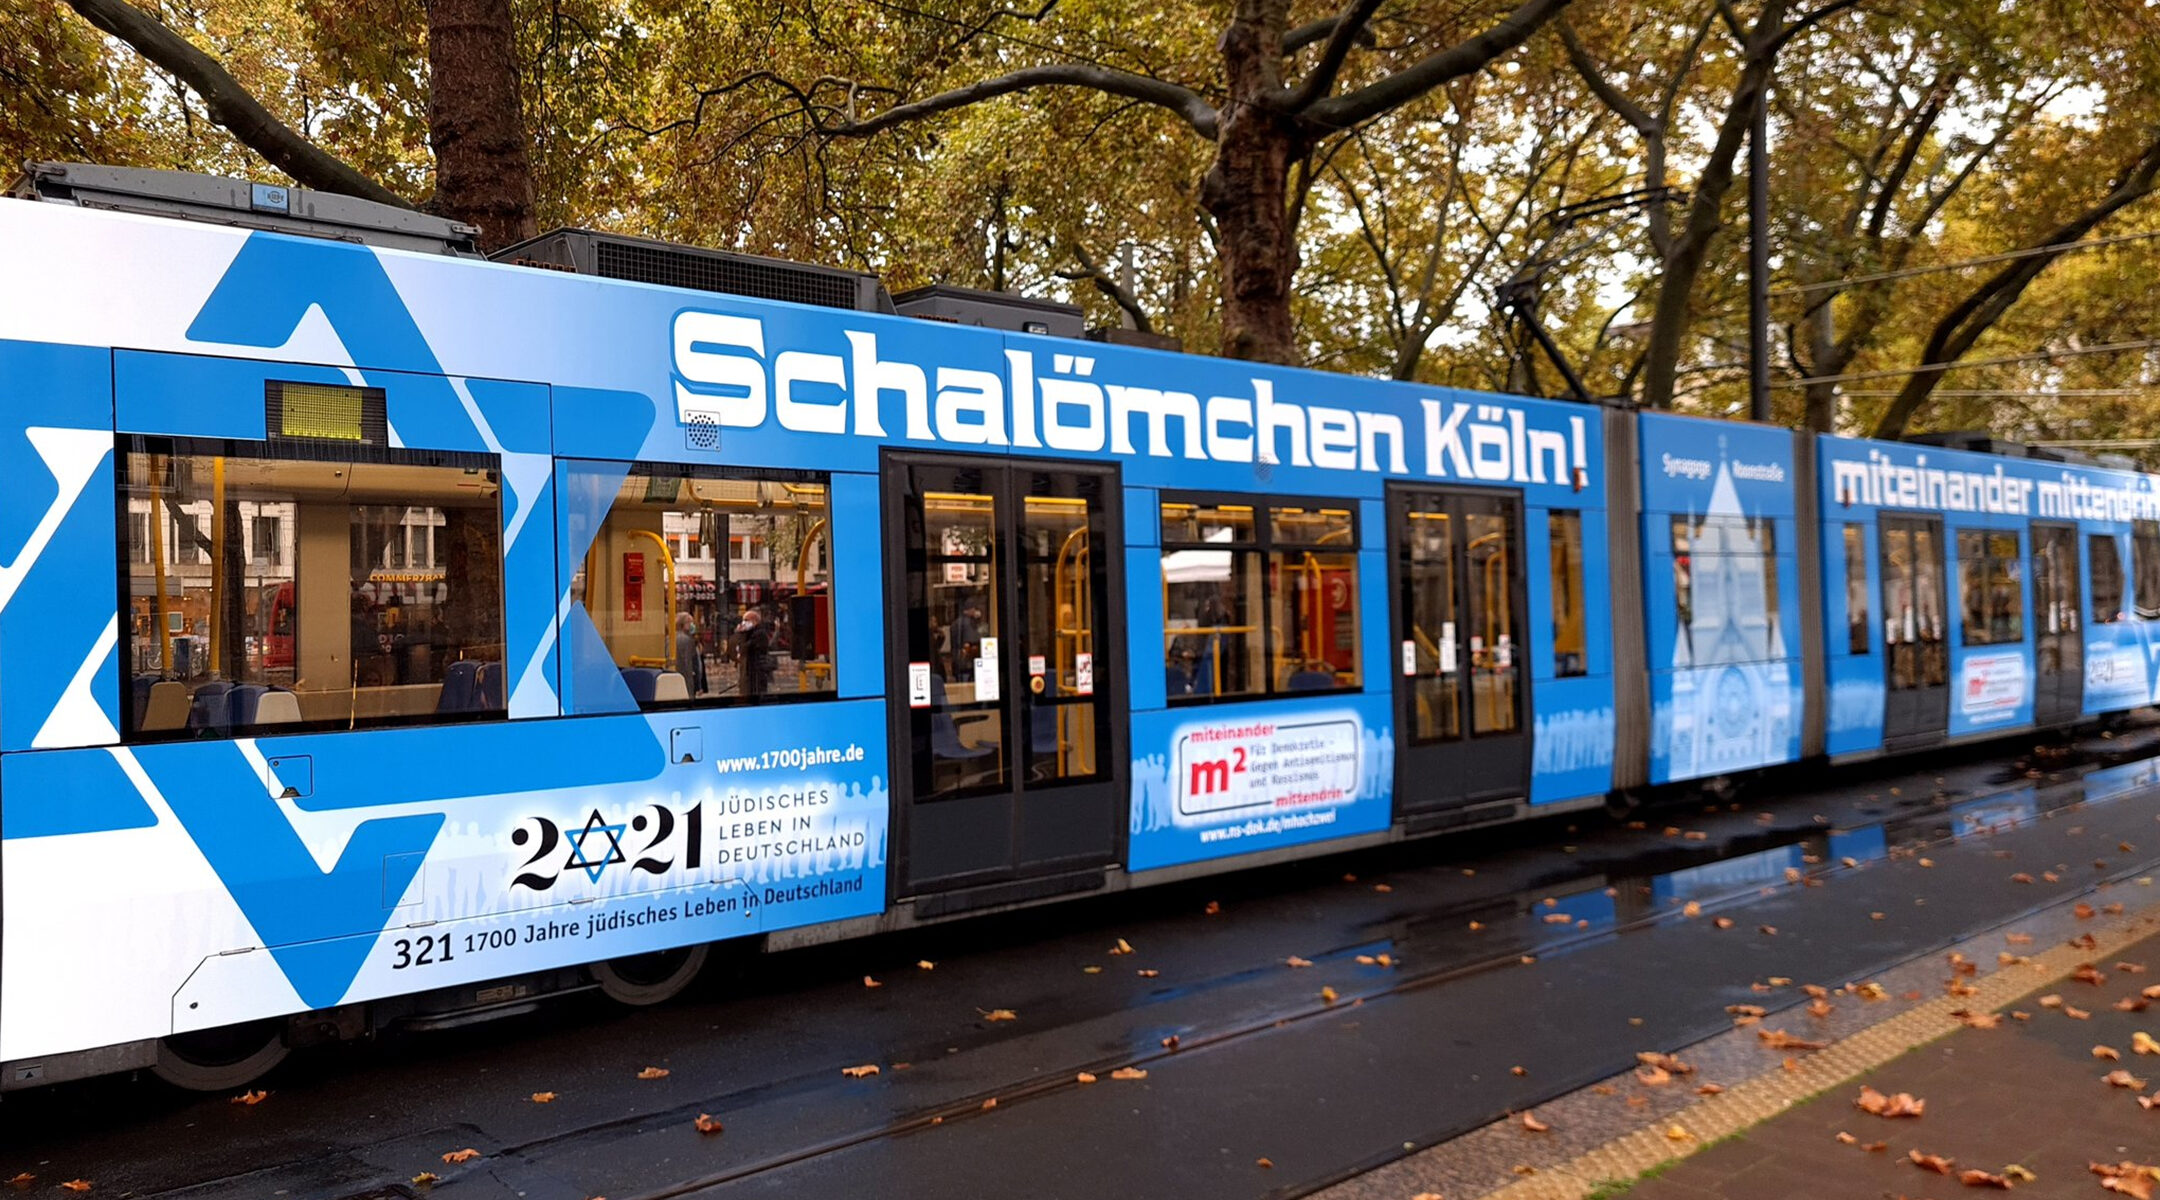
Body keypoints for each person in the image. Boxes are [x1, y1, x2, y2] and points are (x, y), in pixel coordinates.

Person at [736, 607, 775, 698]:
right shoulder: (750, 633)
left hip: (756, 674)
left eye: (746, 620)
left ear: (754, 621)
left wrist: (742, 634)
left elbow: (744, 648)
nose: (743, 623)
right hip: (749, 672)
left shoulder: (759, 634)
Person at [674, 612, 707, 697]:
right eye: (690, 622)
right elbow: (691, 663)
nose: (692, 625)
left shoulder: (671, 638)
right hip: (687, 679)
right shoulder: (687, 640)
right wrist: (697, 685)